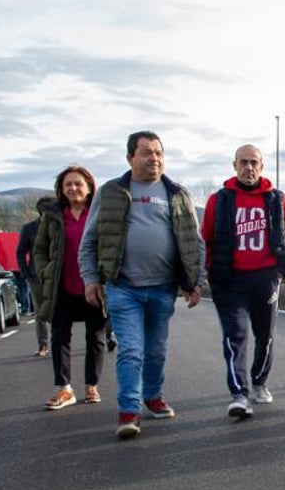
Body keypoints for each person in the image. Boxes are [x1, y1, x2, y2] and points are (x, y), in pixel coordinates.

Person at [79, 130, 205, 440]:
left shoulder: (176, 193)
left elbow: (194, 241)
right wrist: (91, 278)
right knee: (132, 350)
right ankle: (129, 410)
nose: (155, 158)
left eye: (159, 153)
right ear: (130, 158)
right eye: (147, 152)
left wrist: (196, 281)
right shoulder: (110, 192)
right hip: (124, 287)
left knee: (156, 350)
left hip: (163, 288)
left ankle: (153, 395)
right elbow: (90, 241)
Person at [201, 144, 285, 418]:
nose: (249, 167)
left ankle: (259, 381)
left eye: (254, 162)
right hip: (229, 280)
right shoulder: (219, 200)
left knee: (264, 337)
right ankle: (239, 394)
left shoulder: (277, 199)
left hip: (265, 279)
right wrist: (206, 272)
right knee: (235, 336)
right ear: (234, 165)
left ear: (262, 166)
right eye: (243, 162)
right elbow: (206, 238)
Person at [34, 166, 109, 409]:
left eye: (78, 183)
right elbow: (39, 250)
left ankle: (91, 385)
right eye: (68, 184)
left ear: (89, 187)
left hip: (93, 285)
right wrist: (46, 272)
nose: (73, 188)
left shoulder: (98, 213)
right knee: (59, 337)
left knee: (96, 337)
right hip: (61, 286)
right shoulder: (52, 216)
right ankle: (64, 389)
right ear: (61, 189)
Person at [18, 197, 55, 356]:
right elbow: (20, 252)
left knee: (59, 310)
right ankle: (43, 344)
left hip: (57, 275)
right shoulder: (29, 229)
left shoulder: (60, 226)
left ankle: (59, 342)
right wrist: (26, 272)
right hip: (36, 276)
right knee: (41, 311)